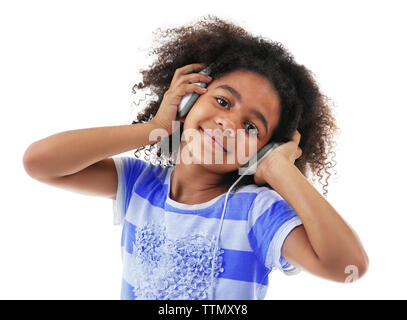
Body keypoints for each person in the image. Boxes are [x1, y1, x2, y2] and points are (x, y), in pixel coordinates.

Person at [22, 15, 369, 300]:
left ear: (263, 150)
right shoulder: (139, 184)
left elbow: (347, 267)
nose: (229, 123)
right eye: (222, 101)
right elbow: (39, 162)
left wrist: (280, 170)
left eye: (251, 127)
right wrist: (155, 127)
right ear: (187, 102)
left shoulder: (257, 212)